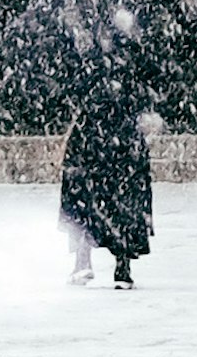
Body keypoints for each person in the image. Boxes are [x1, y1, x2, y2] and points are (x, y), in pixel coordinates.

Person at [60, 79, 156, 289]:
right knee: (122, 213)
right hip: (121, 161)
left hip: (95, 155)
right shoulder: (127, 119)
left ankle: (83, 262)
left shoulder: (88, 117)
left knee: (85, 209)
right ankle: (122, 267)